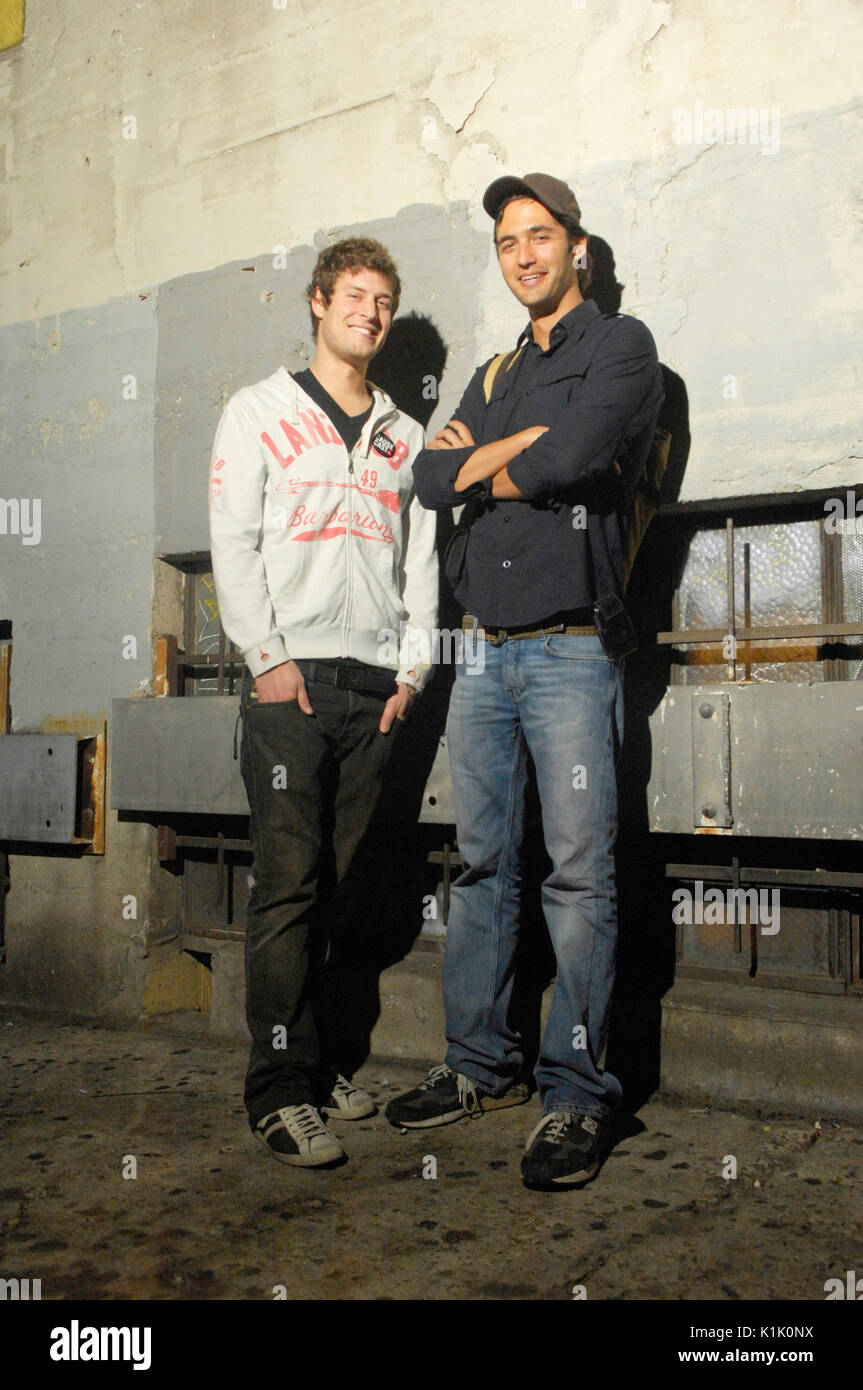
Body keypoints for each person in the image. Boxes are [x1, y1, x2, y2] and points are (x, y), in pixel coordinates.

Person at [385, 174, 664, 1187]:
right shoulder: (497, 367)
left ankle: (576, 1095)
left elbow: (579, 454)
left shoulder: (621, 350)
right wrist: (504, 455)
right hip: (481, 653)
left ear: (575, 248)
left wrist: (483, 463)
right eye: (507, 242)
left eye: (538, 236)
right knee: (481, 866)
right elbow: (424, 478)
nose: (523, 255)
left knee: (578, 874)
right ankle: (477, 1064)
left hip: (567, 650)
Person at [208, 237, 438, 1167]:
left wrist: (414, 674)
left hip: (374, 691)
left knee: (345, 893)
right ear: (316, 301)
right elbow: (232, 542)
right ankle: (276, 1090)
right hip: (290, 687)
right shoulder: (256, 412)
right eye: (354, 295)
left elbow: (418, 567)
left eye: (383, 300)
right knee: (289, 888)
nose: (370, 313)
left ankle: (320, 1062)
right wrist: (266, 660)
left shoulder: (402, 437)